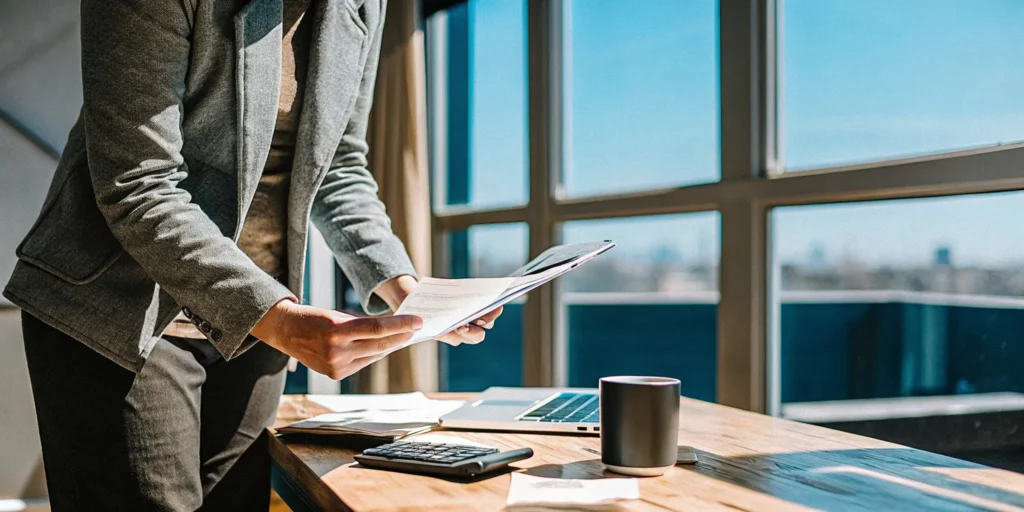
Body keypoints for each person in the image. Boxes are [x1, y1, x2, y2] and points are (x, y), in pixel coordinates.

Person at [2, 0, 502, 509]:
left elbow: (338, 166)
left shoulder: (363, 6)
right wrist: (282, 320)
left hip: (254, 323)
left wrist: (404, 286)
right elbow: (139, 184)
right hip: (122, 309)